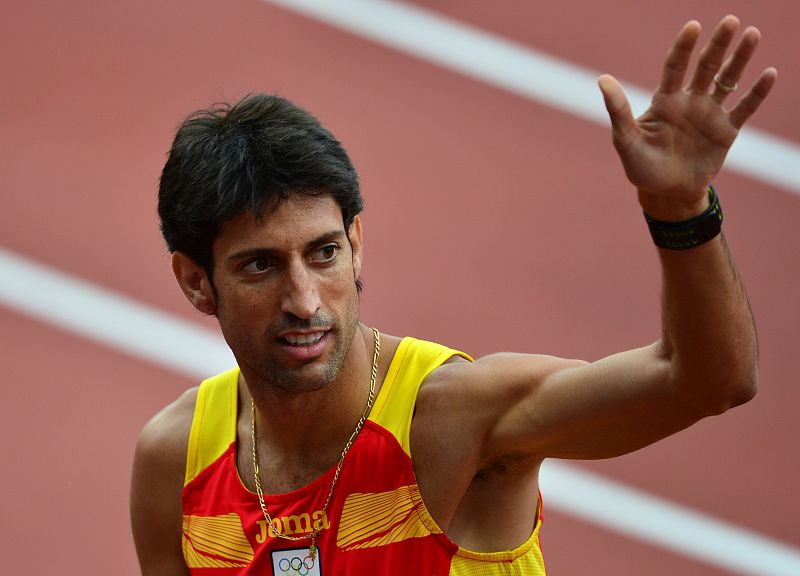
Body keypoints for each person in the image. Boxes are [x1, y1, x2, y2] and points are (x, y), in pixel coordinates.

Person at [131, 15, 776, 575]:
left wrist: (678, 207)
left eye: (324, 253)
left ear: (357, 244)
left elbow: (706, 380)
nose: (304, 300)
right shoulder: (176, 463)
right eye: (261, 267)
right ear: (195, 281)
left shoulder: (460, 422)